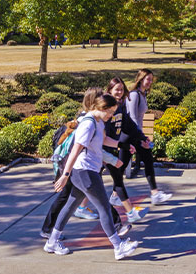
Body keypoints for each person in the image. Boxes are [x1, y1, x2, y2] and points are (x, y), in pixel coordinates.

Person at [43, 91, 139, 260]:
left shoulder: (98, 122)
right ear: (101, 108)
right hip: (84, 172)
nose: (111, 116)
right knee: (104, 208)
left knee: (71, 206)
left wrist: (123, 145)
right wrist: (65, 175)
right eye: (110, 112)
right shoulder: (88, 124)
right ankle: (118, 246)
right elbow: (75, 150)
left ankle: (52, 242)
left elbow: (103, 140)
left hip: (86, 171)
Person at [104, 77, 151, 223]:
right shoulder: (105, 107)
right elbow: (103, 135)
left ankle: (80, 208)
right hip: (101, 150)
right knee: (116, 179)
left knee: (83, 190)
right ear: (109, 90)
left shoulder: (120, 106)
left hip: (109, 148)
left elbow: (128, 125)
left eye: (122, 89)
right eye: (116, 89)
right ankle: (130, 213)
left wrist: (142, 138)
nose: (119, 92)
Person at [124, 69, 173, 205]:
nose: (150, 82)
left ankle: (155, 193)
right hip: (131, 136)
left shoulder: (143, 94)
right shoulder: (134, 95)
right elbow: (133, 118)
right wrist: (141, 138)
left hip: (137, 135)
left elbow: (139, 119)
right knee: (121, 168)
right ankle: (116, 195)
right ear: (140, 79)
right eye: (148, 79)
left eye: (151, 79)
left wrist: (143, 136)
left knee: (147, 161)